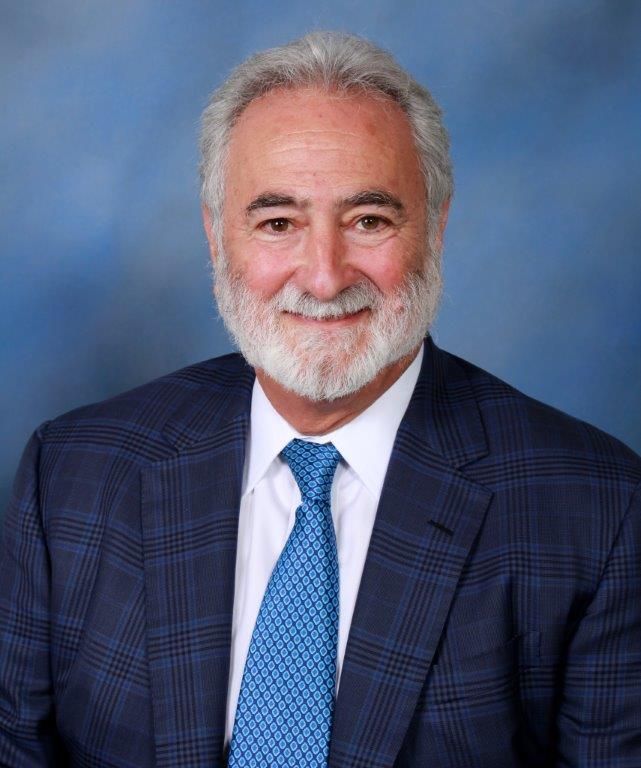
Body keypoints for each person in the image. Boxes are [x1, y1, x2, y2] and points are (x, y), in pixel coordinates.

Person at [1, 31, 640, 768]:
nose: (326, 276)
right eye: (278, 223)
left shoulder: (596, 512)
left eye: (369, 220)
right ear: (216, 238)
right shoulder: (72, 476)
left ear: (434, 227)